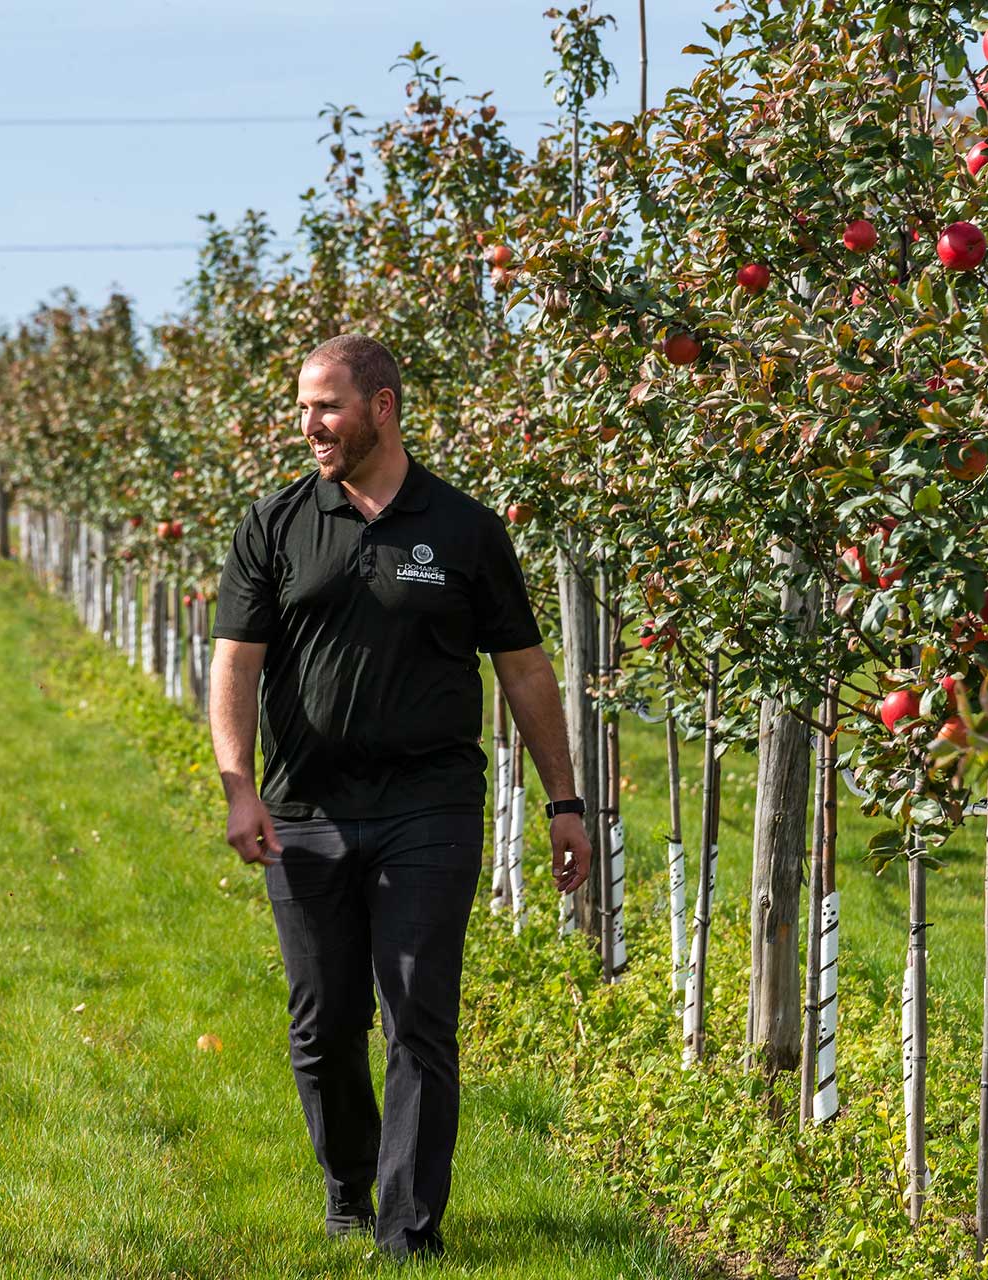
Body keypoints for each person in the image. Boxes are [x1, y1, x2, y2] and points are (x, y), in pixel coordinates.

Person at [209, 334, 592, 1262]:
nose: (310, 426)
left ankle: (408, 1228)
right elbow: (236, 663)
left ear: (381, 406)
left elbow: (526, 669)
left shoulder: (463, 529)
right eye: (303, 408)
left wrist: (565, 800)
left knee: (418, 1007)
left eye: (326, 406)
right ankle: (347, 1184)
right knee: (324, 1021)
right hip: (307, 809)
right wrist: (238, 787)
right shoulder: (276, 524)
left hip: (431, 803)